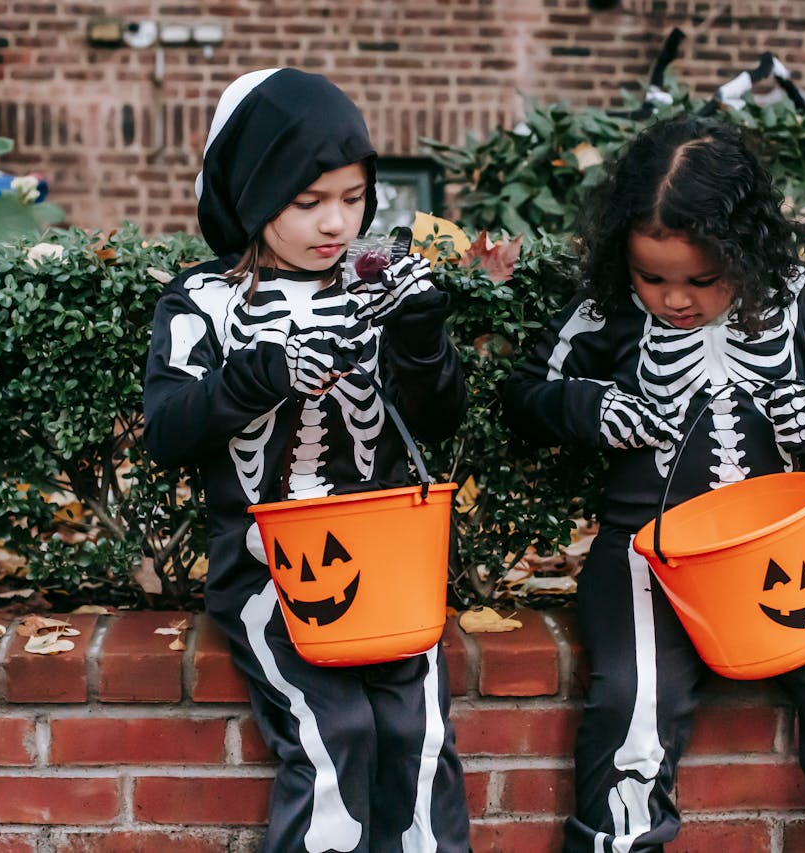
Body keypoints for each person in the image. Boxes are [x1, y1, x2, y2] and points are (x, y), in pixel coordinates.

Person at [502, 115, 805, 852]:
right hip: (648, 556)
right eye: (651, 277)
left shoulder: (798, 295)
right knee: (633, 711)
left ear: (747, 250)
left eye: (702, 279)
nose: (675, 300)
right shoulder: (608, 306)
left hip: (786, 553)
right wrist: (593, 405)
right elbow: (527, 395)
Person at [143, 68, 471, 852]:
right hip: (265, 567)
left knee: (419, 733)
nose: (336, 222)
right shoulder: (204, 302)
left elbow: (437, 417)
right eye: (308, 201)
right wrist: (258, 373)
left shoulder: (378, 283)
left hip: (390, 564)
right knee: (333, 733)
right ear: (255, 195)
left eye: (354, 198)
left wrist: (421, 336)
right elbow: (168, 430)